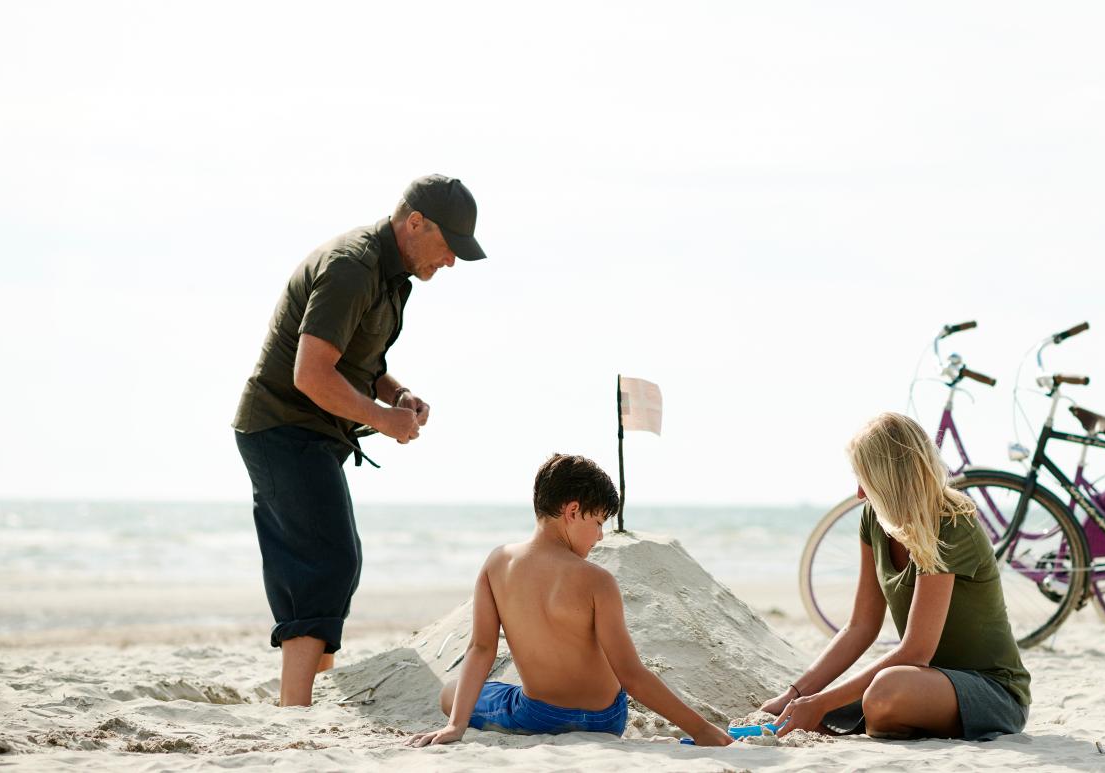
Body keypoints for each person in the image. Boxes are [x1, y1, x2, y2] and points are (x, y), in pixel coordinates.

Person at [232, 174, 487, 707]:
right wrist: (383, 420)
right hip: (282, 425)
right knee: (325, 562)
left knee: (335, 562)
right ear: (415, 223)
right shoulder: (353, 266)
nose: (452, 262)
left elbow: (357, 364)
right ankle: (294, 709)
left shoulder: (392, 277)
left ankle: (311, 693)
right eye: (449, 247)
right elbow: (310, 374)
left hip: (312, 431)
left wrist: (398, 394)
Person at [407, 454, 732, 747]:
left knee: (450, 692)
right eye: (598, 522)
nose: (600, 535)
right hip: (606, 720)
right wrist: (700, 730)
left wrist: (456, 725)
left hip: (537, 717)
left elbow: (480, 649)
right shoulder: (597, 580)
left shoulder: (497, 563)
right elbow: (631, 675)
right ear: (573, 511)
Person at [763, 412, 1031, 741]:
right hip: (923, 682)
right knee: (821, 705)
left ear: (890, 479)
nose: (860, 493)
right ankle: (873, 720)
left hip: (992, 692)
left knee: (884, 691)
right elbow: (860, 627)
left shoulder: (952, 523)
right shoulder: (873, 521)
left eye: (866, 480)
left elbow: (916, 651)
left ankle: (873, 719)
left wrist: (820, 704)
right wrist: (794, 694)